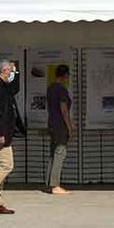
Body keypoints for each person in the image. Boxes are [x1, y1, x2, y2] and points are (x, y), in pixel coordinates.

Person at [0, 61, 23, 215]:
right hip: (0, 134)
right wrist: (0, 133)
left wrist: (16, 73)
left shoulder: (2, 85)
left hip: (5, 133)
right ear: (4, 71)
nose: (11, 73)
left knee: (2, 166)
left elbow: (14, 89)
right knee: (6, 165)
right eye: (10, 71)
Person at [45, 64, 75, 195]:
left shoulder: (50, 88)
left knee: (53, 153)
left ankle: (49, 182)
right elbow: (64, 109)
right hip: (60, 124)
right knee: (60, 153)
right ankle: (55, 184)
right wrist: (70, 127)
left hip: (52, 122)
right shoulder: (62, 90)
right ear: (65, 76)